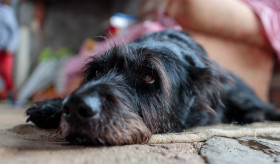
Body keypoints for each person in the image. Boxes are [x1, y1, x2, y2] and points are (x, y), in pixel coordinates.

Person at [0, 0, 19, 100]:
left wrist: (11, 46)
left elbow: (14, 31)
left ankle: (11, 97)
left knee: (6, 73)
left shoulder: (7, 11)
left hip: (6, 49)